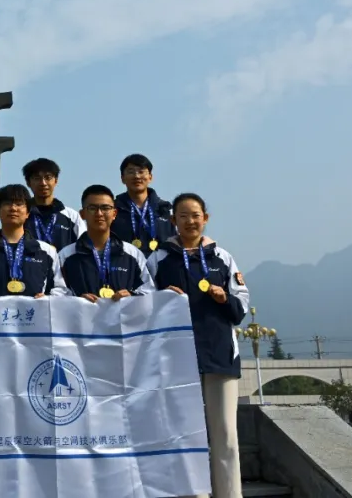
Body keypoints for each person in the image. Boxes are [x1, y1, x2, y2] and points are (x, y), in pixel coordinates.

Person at [147, 193, 249, 498]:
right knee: (184, 434)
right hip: (175, 358)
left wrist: (224, 298)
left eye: (195, 215)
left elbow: (241, 306)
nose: (190, 221)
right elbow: (143, 302)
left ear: (205, 218)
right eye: (183, 216)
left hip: (219, 354)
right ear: (173, 220)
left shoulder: (223, 257)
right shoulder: (159, 259)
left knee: (225, 435)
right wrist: (162, 297)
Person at [0, 184, 65, 298]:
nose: (13, 208)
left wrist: (45, 299)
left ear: (28, 213)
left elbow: (60, 290)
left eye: (19, 204)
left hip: (35, 310)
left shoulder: (47, 251)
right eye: (7, 204)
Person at [58, 184, 153, 301]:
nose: (99, 213)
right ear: (82, 214)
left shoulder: (133, 254)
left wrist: (131, 295)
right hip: (82, 313)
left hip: (123, 313)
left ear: (114, 214)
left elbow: (149, 290)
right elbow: (57, 294)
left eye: (105, 208)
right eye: (92, 208)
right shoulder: (66, 255)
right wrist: (77, 301)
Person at [111, 153, 175, 257]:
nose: (137, 176)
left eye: (141, 172)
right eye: (131, 172)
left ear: (150, 177)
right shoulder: (112, 210)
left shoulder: (166, 210)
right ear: (122, 178)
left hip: (161, 265)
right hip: (125, 264)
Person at [22, 157, 86, 252]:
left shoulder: (72, 216)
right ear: (28, 182)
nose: (43, 183)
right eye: (37, 178)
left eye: (48, 178)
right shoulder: (21, 214)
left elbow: (83, 246)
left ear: (56, 180)